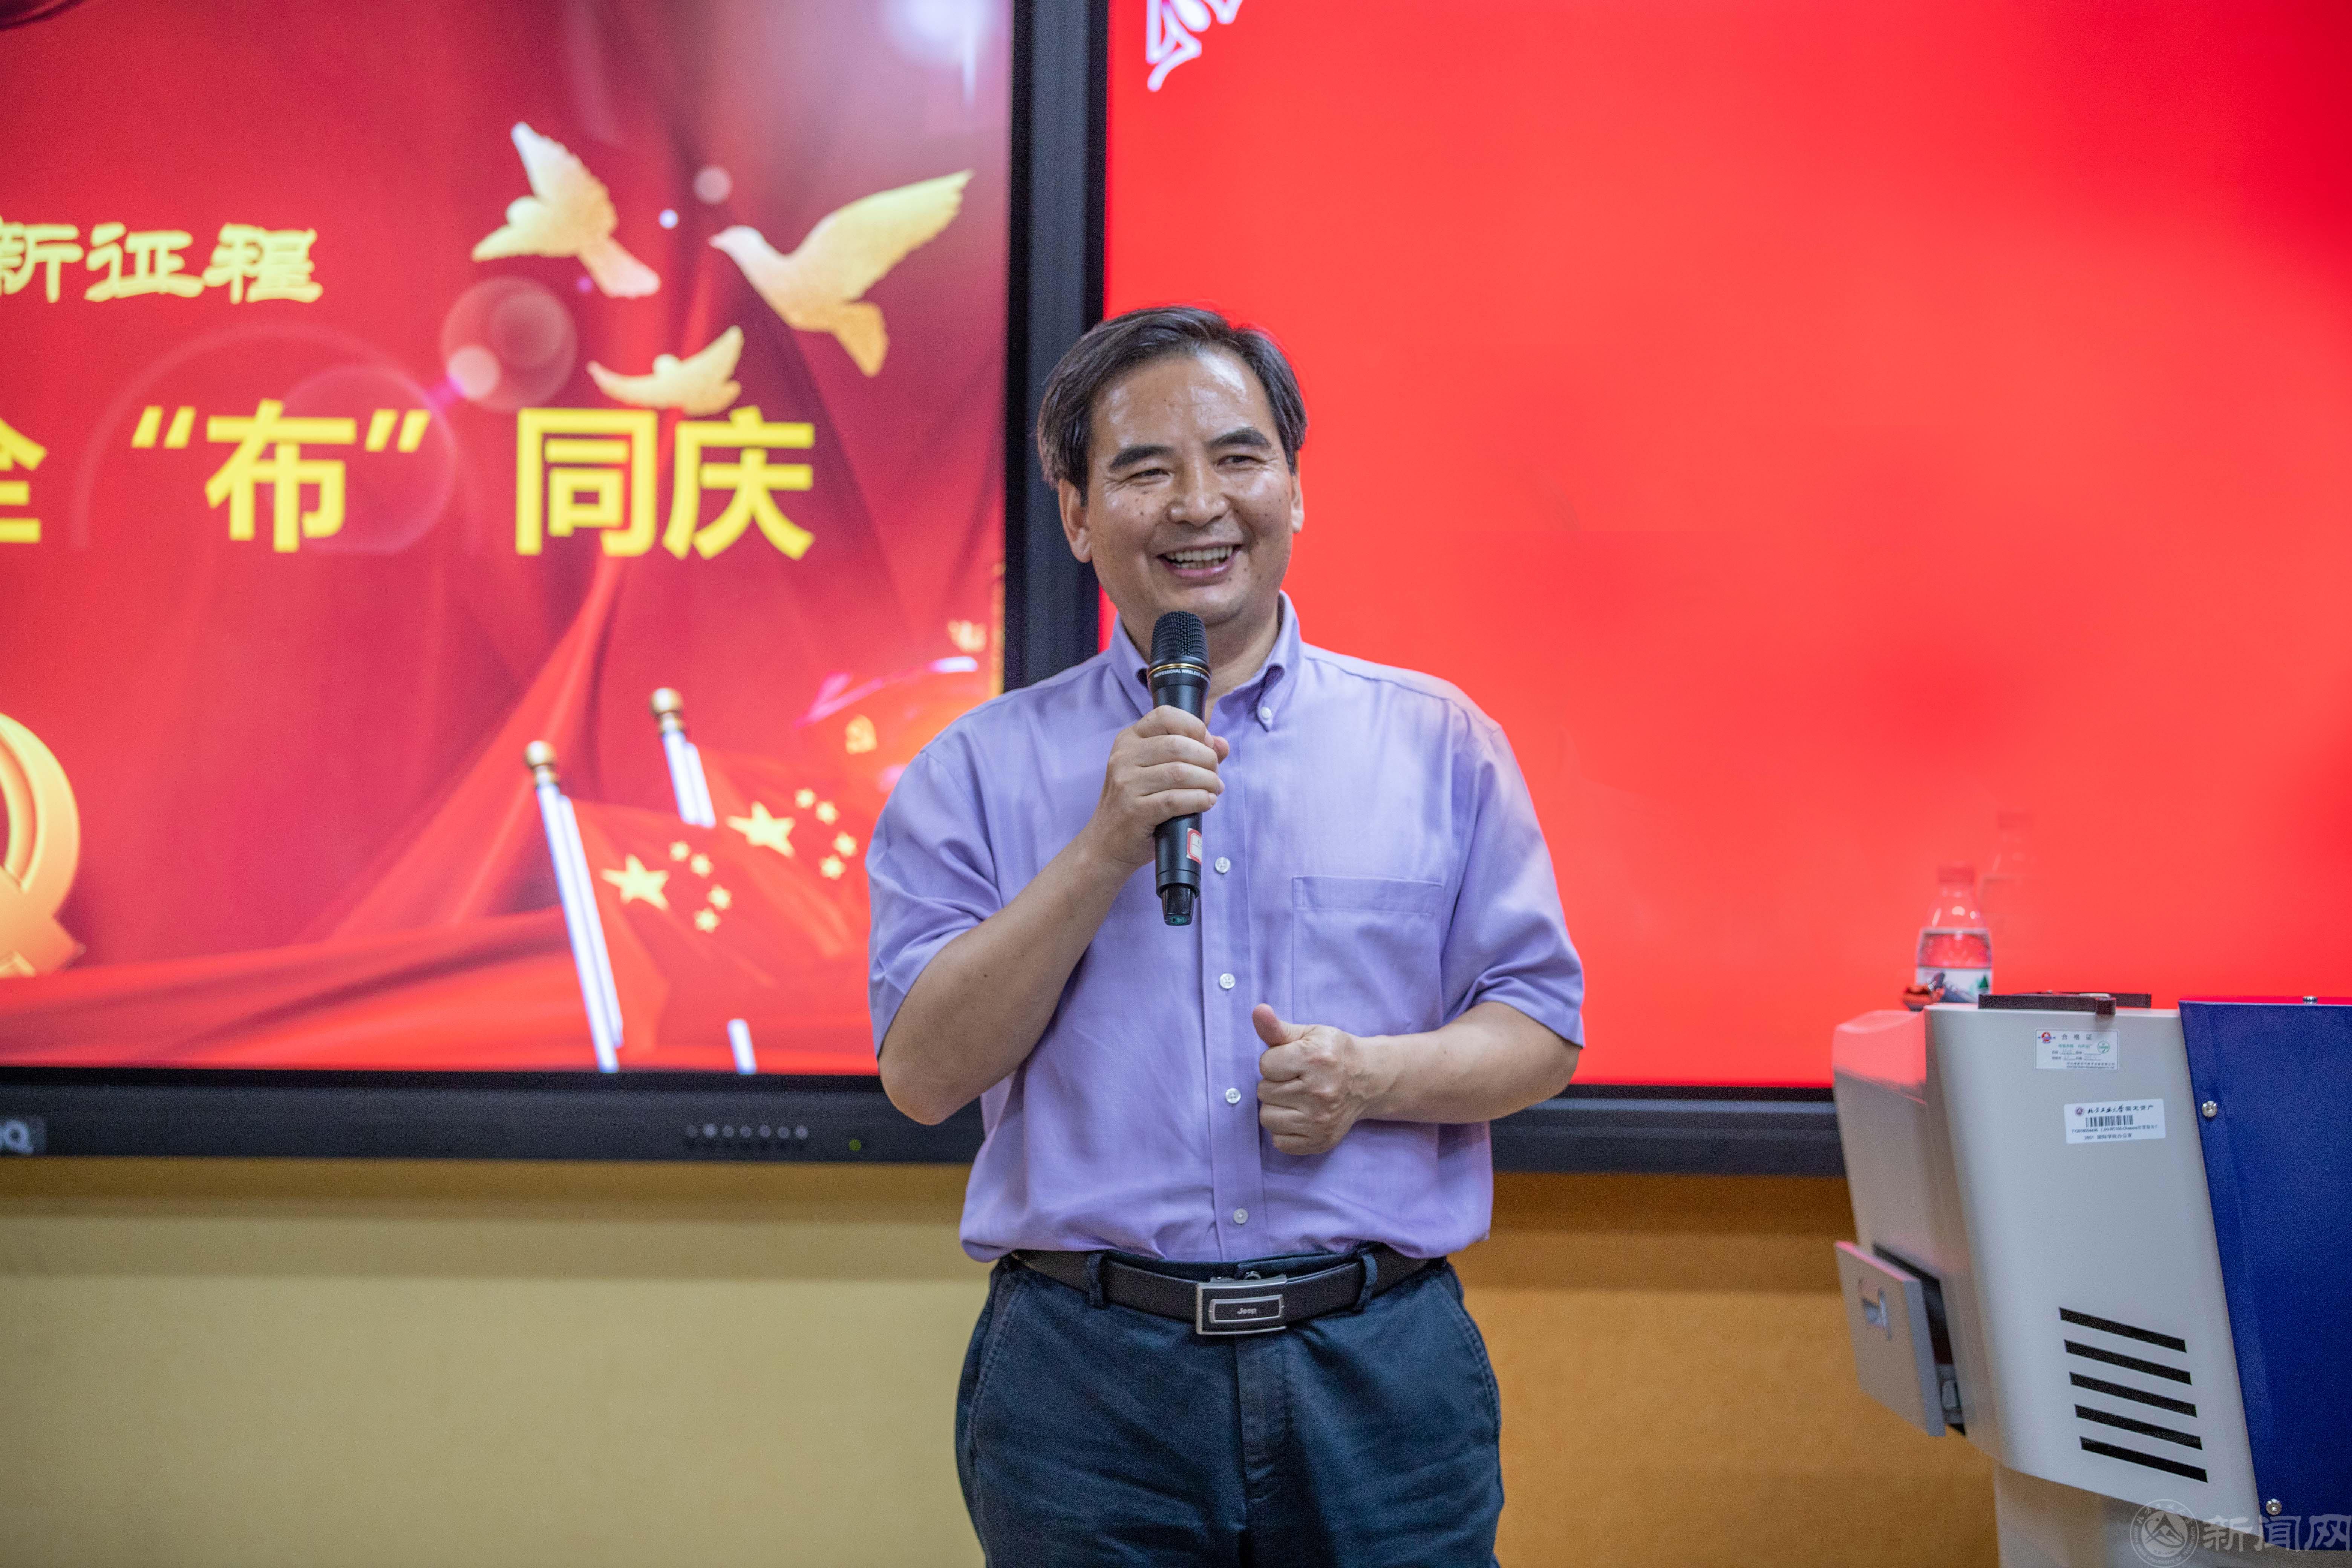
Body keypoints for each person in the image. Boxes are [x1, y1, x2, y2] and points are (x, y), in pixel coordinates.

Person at [867, 305, 1584, 1566]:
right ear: (1078, 515)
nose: (1200, 504)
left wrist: (1374, 1077)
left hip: (1380, 1367)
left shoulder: (1438, 742)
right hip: (1088, 1386)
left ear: (1294, 489)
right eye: (1145, 471)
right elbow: (923, 1077)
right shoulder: (972, 770)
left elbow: (1541, 1027)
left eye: (1239, 458)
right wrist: (1102, 848)